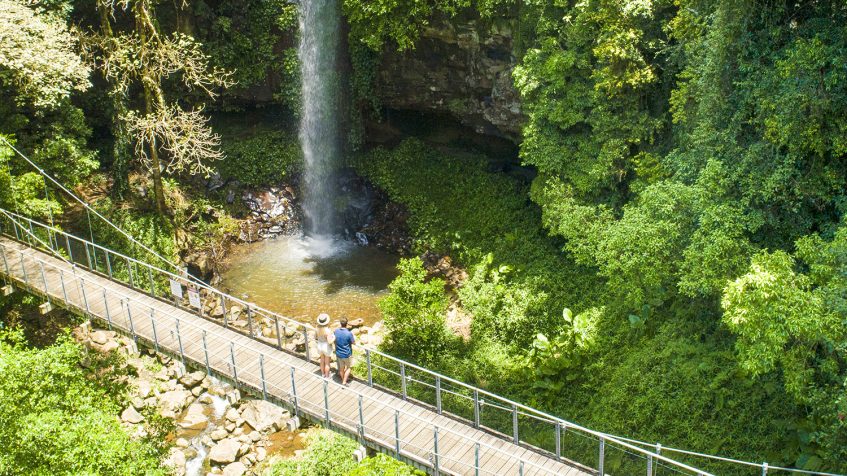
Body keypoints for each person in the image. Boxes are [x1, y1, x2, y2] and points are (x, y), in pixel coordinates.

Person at [333, 317, 356, 385]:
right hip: (347, 354)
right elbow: (353, 342)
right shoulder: (349, 333)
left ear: (340, 324)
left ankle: (343, 379)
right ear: (347, 324)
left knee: (341, 369)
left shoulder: (336, 331)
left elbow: (334, 339)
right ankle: (344, 382)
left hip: (339, 353)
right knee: (348, 368)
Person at [315, 313, 334, 378]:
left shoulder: (317, 328)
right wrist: (334, 337)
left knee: (322, 360)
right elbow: (330, 341)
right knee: (327, 363)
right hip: (326, 346)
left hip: (319, 345)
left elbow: (315, 337)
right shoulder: (327, 330)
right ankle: (327, 376)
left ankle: (323, 374)